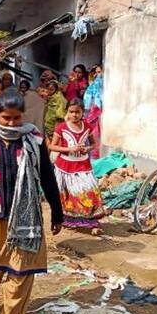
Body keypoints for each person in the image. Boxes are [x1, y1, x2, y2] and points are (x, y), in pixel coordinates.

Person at [0, 91, 63, 314]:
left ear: (23, 116)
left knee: (20, 273)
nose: (11, 124)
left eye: (16, 118)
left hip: (27, 219)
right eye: (5, 118)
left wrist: (57, 212)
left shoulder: (34, 140)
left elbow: (47, 177)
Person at [48, 99, 105, 235]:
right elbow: (51, 146)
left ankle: (92, 222)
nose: (74, 115)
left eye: (77, 112)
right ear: (67, 112)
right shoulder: (61, 127)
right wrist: (69, 149)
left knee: (89, 191)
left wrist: (87, 148)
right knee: (69, 195)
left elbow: (93, 144)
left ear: (82, 112)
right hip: (65, 166)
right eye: (71, 112)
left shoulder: (87, 126)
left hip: (83, 165)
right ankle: (70, 220)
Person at [84, 64, 103, 159]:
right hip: (93, 113)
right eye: (96, 73)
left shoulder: (98, 84)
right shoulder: (94, 85)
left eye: (99, 72)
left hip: (96, 112)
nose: (97, 75)